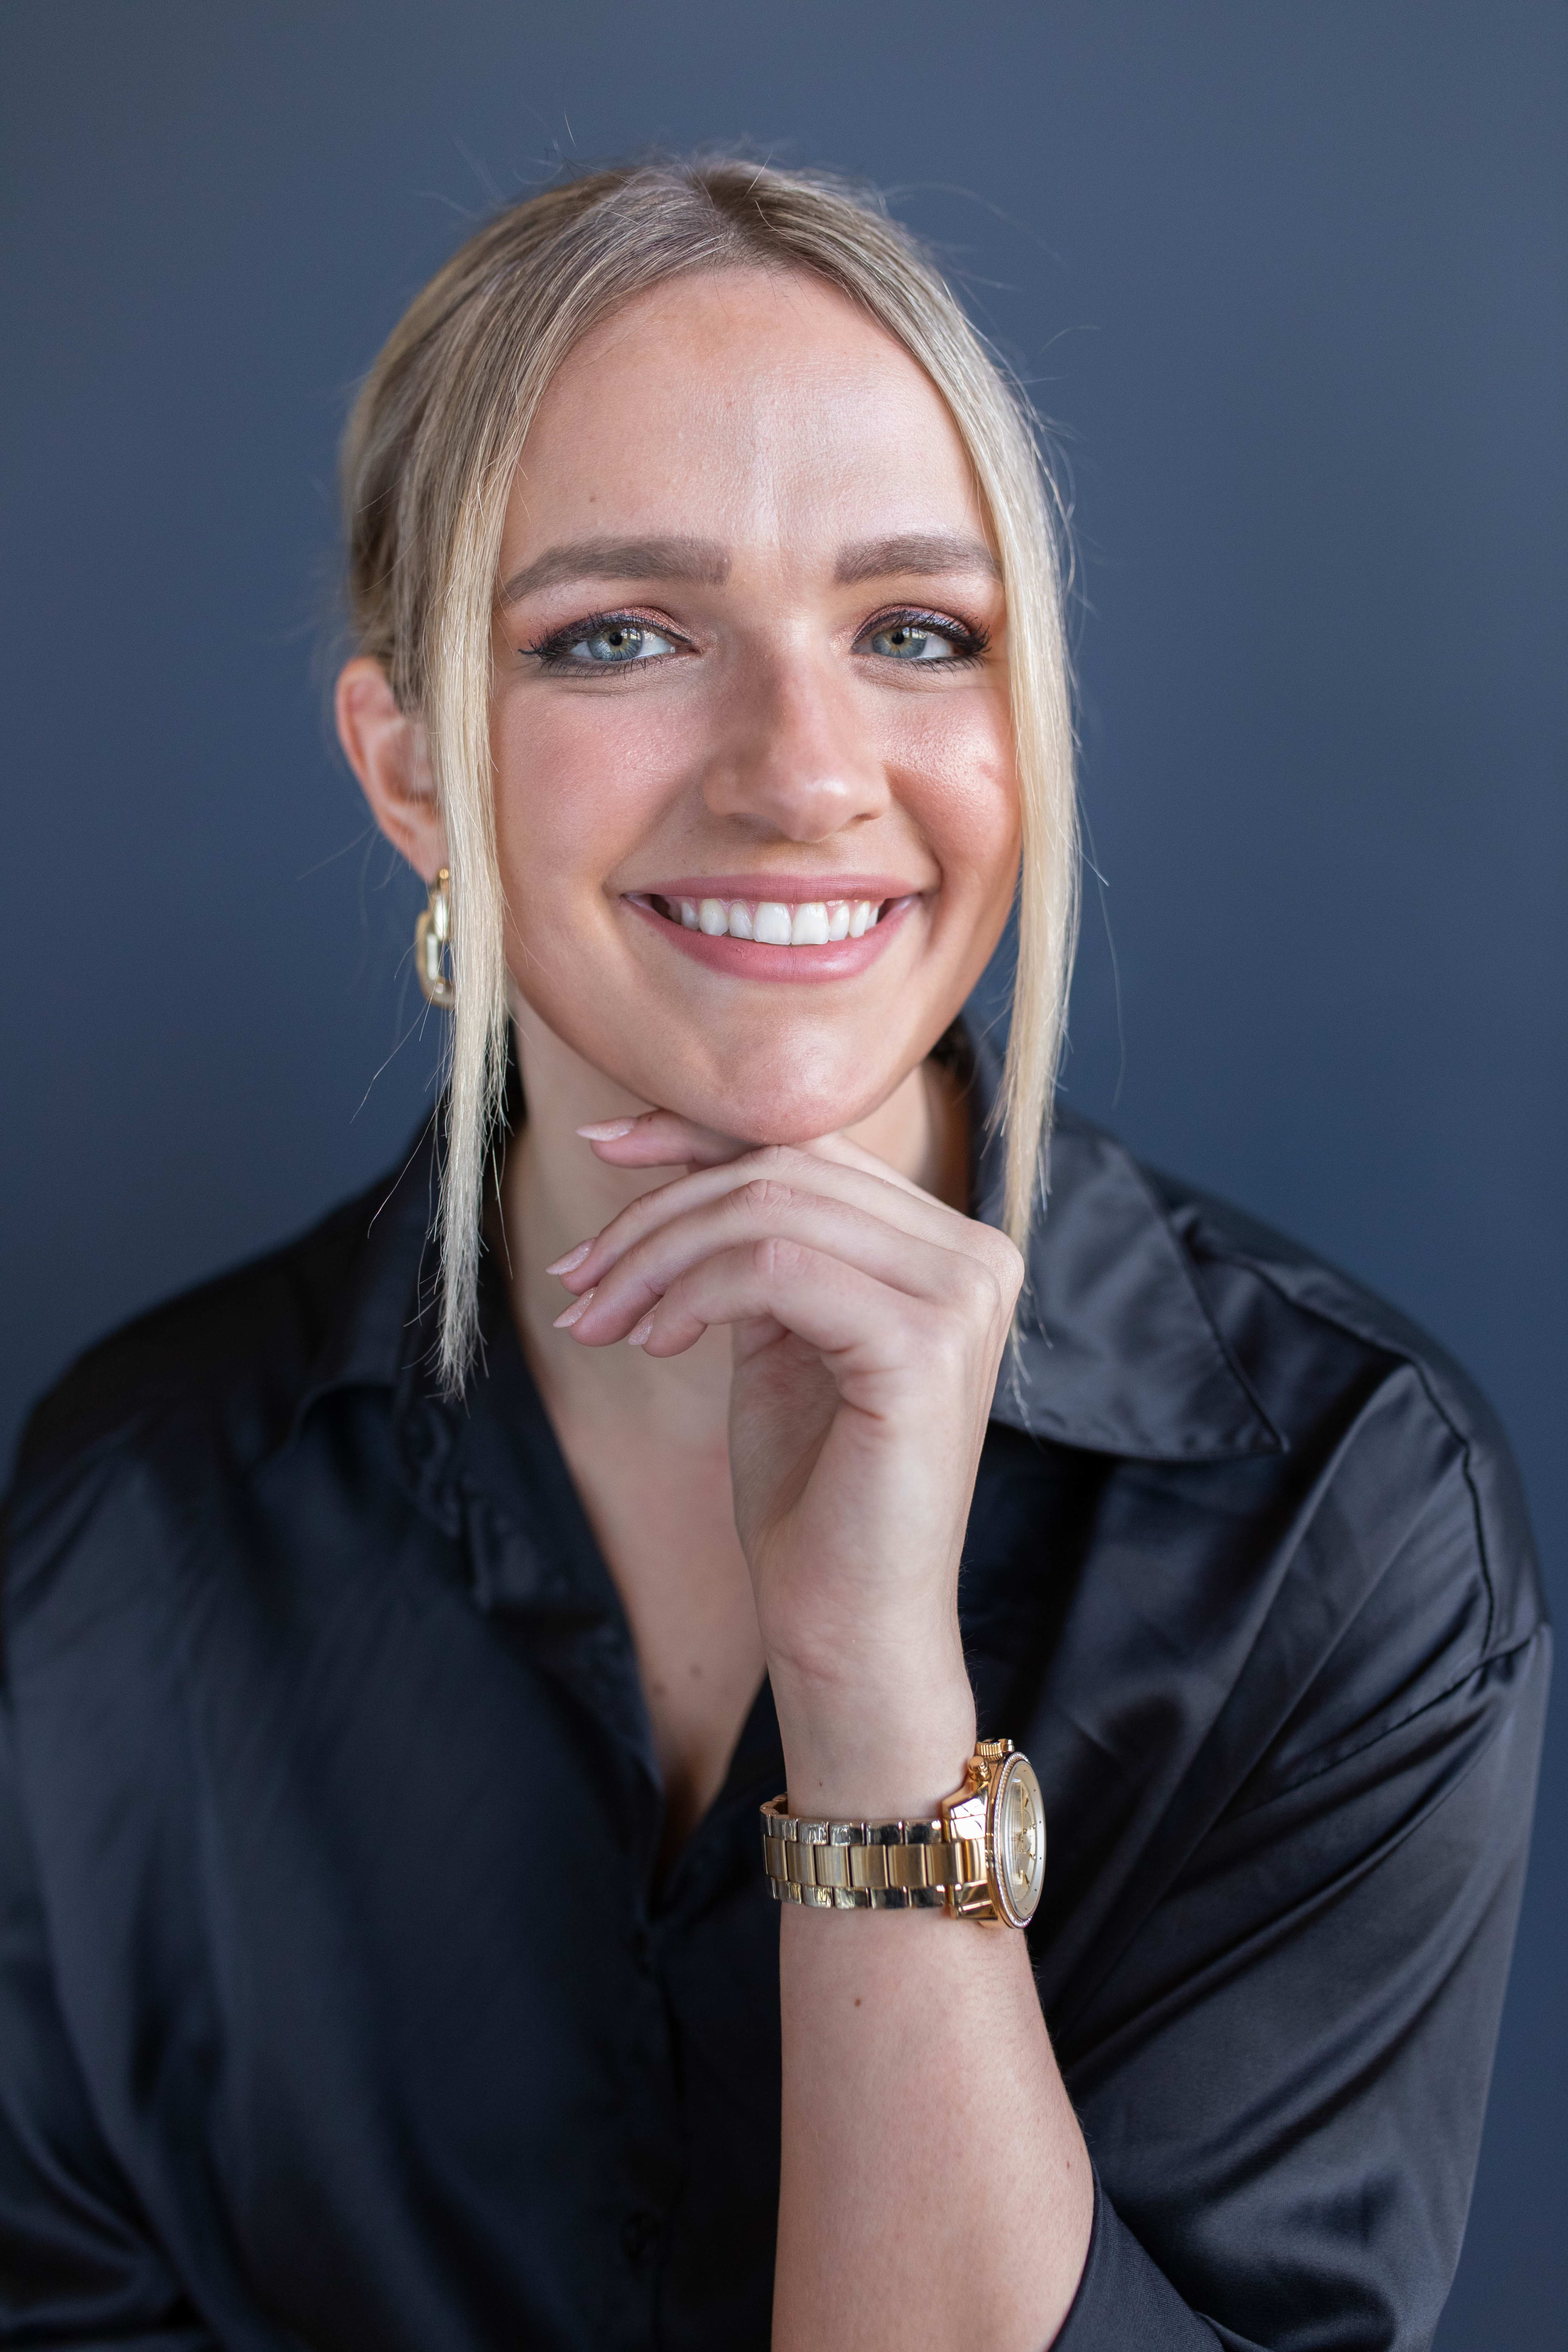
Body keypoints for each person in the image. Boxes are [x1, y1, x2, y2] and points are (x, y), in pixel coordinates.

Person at [0, 157, 1547, 2352]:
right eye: (619, 635)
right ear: (413, 769)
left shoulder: (1344, 1518)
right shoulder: (130, 1523)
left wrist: (876, 1692)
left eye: (916, 631)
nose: (806, 774)